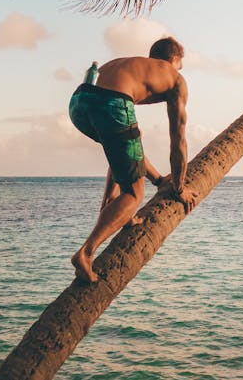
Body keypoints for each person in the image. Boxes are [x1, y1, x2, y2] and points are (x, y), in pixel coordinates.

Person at [68, 36, 198, 283]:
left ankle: (113, 204)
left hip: (79, 102)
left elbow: (124, 149)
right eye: (179, 65)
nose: (178, 71)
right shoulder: (175, 78)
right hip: (111, 105)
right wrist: (179, 188)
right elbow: (178, 138)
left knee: (124, 142)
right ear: (174, 59)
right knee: (134, 195)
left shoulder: (128, 64)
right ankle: (85, 253)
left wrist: (160, 180)